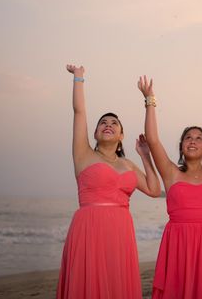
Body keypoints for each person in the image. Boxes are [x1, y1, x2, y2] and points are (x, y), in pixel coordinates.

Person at [57, 65, 161, 299]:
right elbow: (79, 112)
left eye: (114, 123)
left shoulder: (129, 165)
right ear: (94, 133)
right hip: (89, 228)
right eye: (103, 122)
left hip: (120, 232)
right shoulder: (83, 154)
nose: (108, 125)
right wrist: (79, 78)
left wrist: (145, 156)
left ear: (121, 135)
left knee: (116, 284)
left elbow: (155, 190)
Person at [137, 69, 202, 299]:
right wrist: (150, 100)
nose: (192, 141)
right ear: (182, 145)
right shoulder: (170, 172)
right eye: (188, 138)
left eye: (198, 138)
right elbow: (152, 139)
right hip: (178, 243)